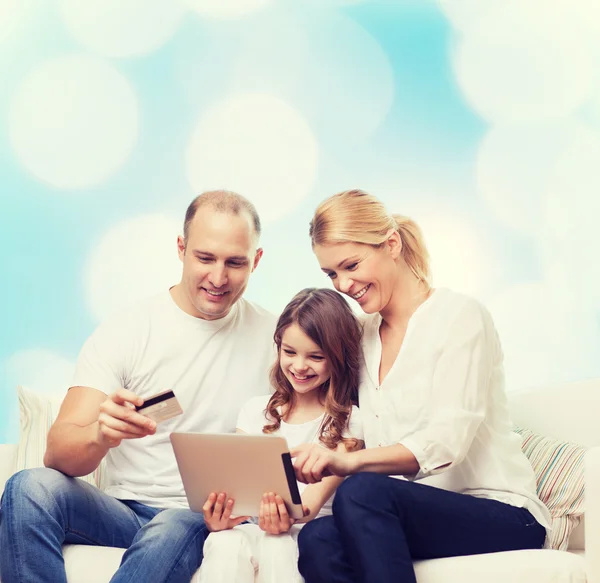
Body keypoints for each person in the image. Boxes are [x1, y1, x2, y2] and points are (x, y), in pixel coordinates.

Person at [0, 190, 278, 583]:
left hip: (199, 515)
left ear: (257, 260)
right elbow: (58, 453)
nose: (219, 278)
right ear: (181, 249)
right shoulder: (127, 330)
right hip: (122, 510)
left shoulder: (280, 340)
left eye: (235, 262)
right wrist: (100, 434)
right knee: (29, 487)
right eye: (205, 258)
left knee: (167, 527)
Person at [292, 189, 551, 583]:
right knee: (317, 539)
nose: (343, 284)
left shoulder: (460, 316)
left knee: (362, 491)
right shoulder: (361, 337)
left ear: (391, 244)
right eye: (331, 274)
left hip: (502, 512)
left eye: (351, 265)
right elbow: (338, 418)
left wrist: (349, 464)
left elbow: (446, 442)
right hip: (403, 511)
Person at [197, 288, 364, 583]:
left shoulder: (350, 421)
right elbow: (236, 486)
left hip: (307, 533)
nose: (299, 366)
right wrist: (219, 515)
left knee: (277, 546)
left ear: (338, 357)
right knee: (224, 541)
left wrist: (283, 519)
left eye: (316, 356)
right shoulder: (255, 411)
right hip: (253, 528)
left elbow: (310, 505)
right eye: (289, 352)